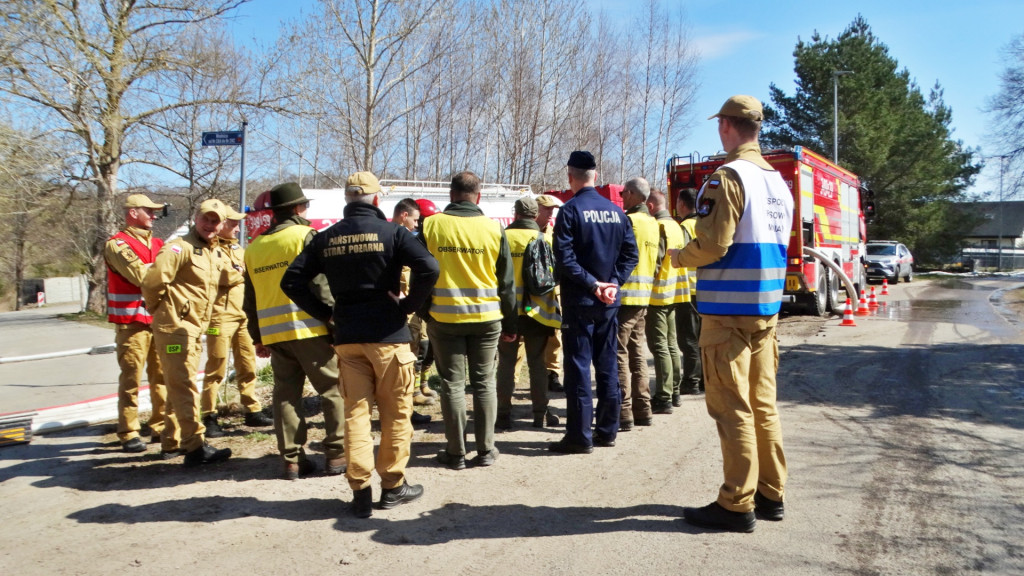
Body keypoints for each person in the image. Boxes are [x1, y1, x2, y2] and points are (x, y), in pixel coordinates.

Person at [282, 171, 439, 519]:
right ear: (377, 200)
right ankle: (393, 486)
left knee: (355, 414)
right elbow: (429, 267)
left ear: (347, 200)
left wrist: (326, 314)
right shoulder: (393, 232)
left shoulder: (327, 237)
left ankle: (360, 492)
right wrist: (409, 305)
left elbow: (291, 281)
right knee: (395, 414)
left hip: (348, 339)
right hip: (389, 337)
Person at [670, 95, 794, 532]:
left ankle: (736, 503)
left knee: (731, 407)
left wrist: (679, 257)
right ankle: (770, 493)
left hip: (727, 313)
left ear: (726, 125)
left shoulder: (728, 177)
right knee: (763, 404)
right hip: (765, 310)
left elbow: (713, 244)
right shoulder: (777, 182)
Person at [242, 183, 346, 480]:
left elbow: (250, 298)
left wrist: (257, 336)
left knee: (286, 396)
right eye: (305, 206)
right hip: (309, 329)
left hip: (275, 334)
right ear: (298, 208)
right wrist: (335, 323)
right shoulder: (304, 236)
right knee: (333, 390)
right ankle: (336, 454)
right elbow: (321, 284)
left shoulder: (254, 247)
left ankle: (292, 460)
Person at [420, 171, 516, 470]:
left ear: (451, 194)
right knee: (484, 382)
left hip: (444, 317)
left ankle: (456, 452)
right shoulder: (494, 228)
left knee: (453, 384)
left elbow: (420, 273)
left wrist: (425, 311)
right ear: (479, 196)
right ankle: (486, 450)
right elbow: (507, 282)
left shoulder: (431, 225)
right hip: (487, 318)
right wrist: (511, 324)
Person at [549, 151, 638, 454]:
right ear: (595, 176)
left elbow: (565, 258)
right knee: (607, 365)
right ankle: (608, 431)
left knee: (578, 368)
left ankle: (579, 437)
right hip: (608, 302)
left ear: (570, 177)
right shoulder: (617, 212)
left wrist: (593, 284)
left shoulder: (570, 211)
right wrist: (612, 283)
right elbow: (631, 255)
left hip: (580, 301)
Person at [142, 199, 235, 467]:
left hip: (192, 328)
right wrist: (160, 310)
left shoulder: (212, 251)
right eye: (206, 219)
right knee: (184, 385)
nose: (210, 225)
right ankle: (195, 447)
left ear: (221, 224)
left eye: (215, 221)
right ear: (196, 217)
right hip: (175, 329)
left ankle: (171, 441)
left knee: (179, 383)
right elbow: (152, 281)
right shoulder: (179, 247)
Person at [104, 194, 178, 455]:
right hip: (131, 322)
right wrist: (163, 272)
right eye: (149, 211)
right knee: (131, 378)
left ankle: (159, 425)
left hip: (158, 320)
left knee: (162, 376)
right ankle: (128, 431)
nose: (154, 216)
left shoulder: (158, 243)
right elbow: (142, 277)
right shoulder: (117, 244)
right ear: (133, 213)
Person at [200, 205, 273, 436]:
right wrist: (240, 271)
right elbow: (222, 276)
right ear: (221, 224)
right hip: (219, 317)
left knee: (247, 364)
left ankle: (252, 409)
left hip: (242, 315)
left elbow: (247, 274)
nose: (237, 228)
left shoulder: (237, 248)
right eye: (232, 223)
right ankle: (209, 415)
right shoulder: (208, 248)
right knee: (217, 367)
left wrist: (239, 271)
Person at [496, 196, 561, 430]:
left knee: (506, 363)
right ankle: (539, 415)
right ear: (535, 216)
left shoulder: (502, 237)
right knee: (537, 364)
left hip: (507, 312)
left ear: (515, 214)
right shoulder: (545, 239)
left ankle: (503, 414)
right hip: (536, 313)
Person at [615, 177, 660, 429]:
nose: (621, 196)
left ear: (632, 194)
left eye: (623, 192)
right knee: (637, 354)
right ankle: (644, 409)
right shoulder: (654, 224)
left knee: (619, 354)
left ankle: (623, 412)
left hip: (624, 298)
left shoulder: (628, 221)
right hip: (644, 298)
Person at [646, 188, 688, 413]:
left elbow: (656, 261)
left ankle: (663, 397)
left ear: (650, 206)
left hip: (658, 294)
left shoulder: (659, 226)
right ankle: (674, 391)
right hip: (674, 292)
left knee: (659, 345)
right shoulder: (676, 226)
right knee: (671, 344)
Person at [392, 197, 436, 409]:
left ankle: (420, 386)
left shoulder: (417, 240)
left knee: (424, 347)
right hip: (404, 306)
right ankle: (409, 394)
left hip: (417, 303)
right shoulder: (397, 239)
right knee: (412, 351)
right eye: (417, 220)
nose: (418, 225)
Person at [675, 187, 704, 399]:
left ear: (683, 205)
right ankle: (704, 379)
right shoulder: (705, 224)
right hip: (706, 289)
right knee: (704, 337)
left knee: (689, 338)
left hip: (689, 290)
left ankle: (692, 381)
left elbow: (682, 255)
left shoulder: (685, 227)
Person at [535, 194, 564, 393]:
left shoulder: (555, 235)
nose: (550, 213)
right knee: (522, 338)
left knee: (554, 335)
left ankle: (552, 374)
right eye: (547, 209)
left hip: (553, 294)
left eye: (552, 210)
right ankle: (513, 377)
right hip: (529, 298)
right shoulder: (523, 232)